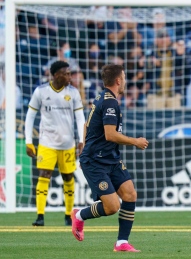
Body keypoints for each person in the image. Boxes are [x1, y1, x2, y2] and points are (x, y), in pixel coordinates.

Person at [70, 64, 149, 252]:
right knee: (113, 206)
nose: (125, 82)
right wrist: (135, 141)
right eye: (124, 77)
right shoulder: (109, 102)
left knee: (130, 193)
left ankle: (121, 242)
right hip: (95, 161)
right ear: (118, 80)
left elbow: (86, 125)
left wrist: (83, 145)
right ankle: (79, 215)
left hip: (109, 158)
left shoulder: (101, 97)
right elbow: (110, 135)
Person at [24, 61, 85, 226]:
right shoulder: (41, 91)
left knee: (68, 177)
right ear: (56, 75)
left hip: (67, 144)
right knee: (44, 175)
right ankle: (40, 216)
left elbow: (80, 118)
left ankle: (68, 215)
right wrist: (29, 141)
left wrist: (82, 140)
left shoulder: (73, 93)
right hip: (46, 143)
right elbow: (30, 116)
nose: (69, 76)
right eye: (66, 73)